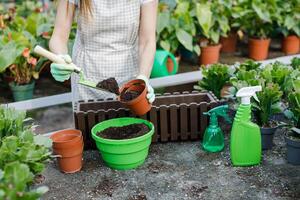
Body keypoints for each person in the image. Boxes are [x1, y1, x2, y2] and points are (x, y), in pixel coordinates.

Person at [49, 0, 157, 103]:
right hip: (86, 77)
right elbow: (59, 37)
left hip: (129, 79)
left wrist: (143, 77)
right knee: (87, 120)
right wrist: (60, 57)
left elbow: (147, 41)